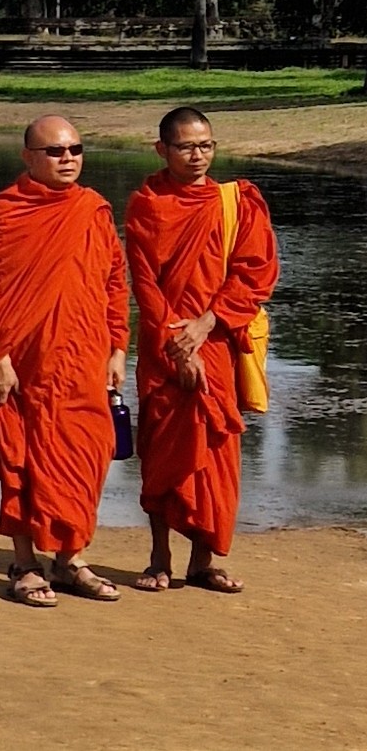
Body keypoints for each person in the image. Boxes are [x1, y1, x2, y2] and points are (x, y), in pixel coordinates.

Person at [0, 114, 128, 607]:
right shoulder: (5, 211)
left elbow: (113, 282)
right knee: (24, 456)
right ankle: (24, 564)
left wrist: (119, 347)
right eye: (56, 152)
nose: (68, 159)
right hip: (28, 360)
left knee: (84, 457)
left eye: (75, 150)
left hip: (86, 356)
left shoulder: (93, 210)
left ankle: (69, 560)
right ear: (28, 157)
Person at [125, 106, 278, 594]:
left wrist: (207, 323)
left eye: (206, 145)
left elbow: (253, 274)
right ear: (162, 150)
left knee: (215, 449)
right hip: (165, 347)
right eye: (187, 146)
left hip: (216, 341)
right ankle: (158, 558)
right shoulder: (147, 204)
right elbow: (146, 284)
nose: (198, 155)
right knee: (161, 450)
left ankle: (203, 560)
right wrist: (177, 344)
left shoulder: (237, 202)